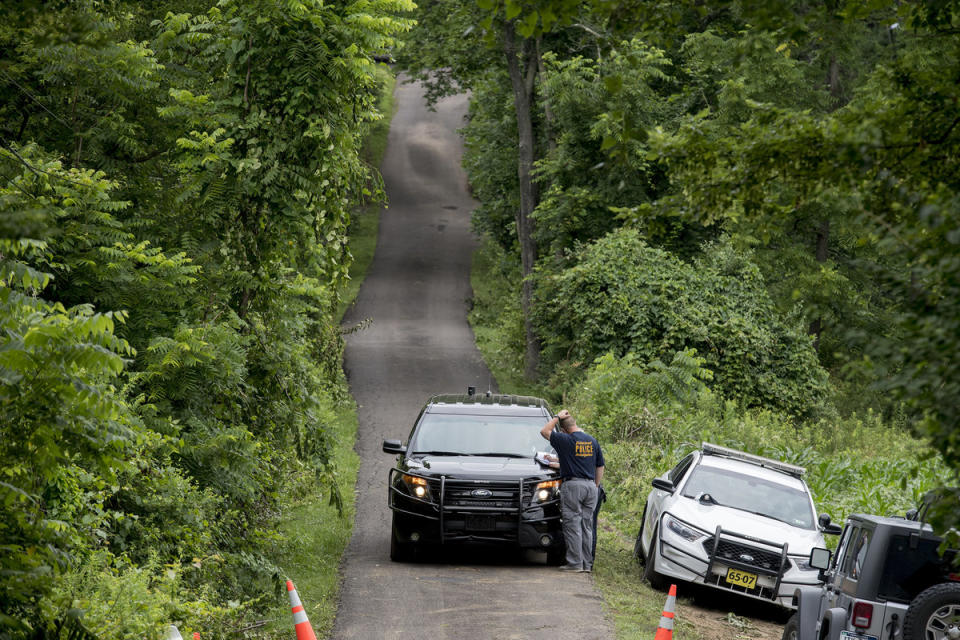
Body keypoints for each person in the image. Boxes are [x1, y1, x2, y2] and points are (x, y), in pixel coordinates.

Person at [540, 409, 605, 573]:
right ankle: (587, 564)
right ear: (575, 424)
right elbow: (600, 466)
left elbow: (544, 431)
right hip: (591, 487)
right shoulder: (592, 440)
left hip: (573, 486)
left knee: (572, 525)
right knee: (587, 526)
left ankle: (575, 564)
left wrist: (556, 417)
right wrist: (595, 486)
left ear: (563, 429)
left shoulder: (565, 439)